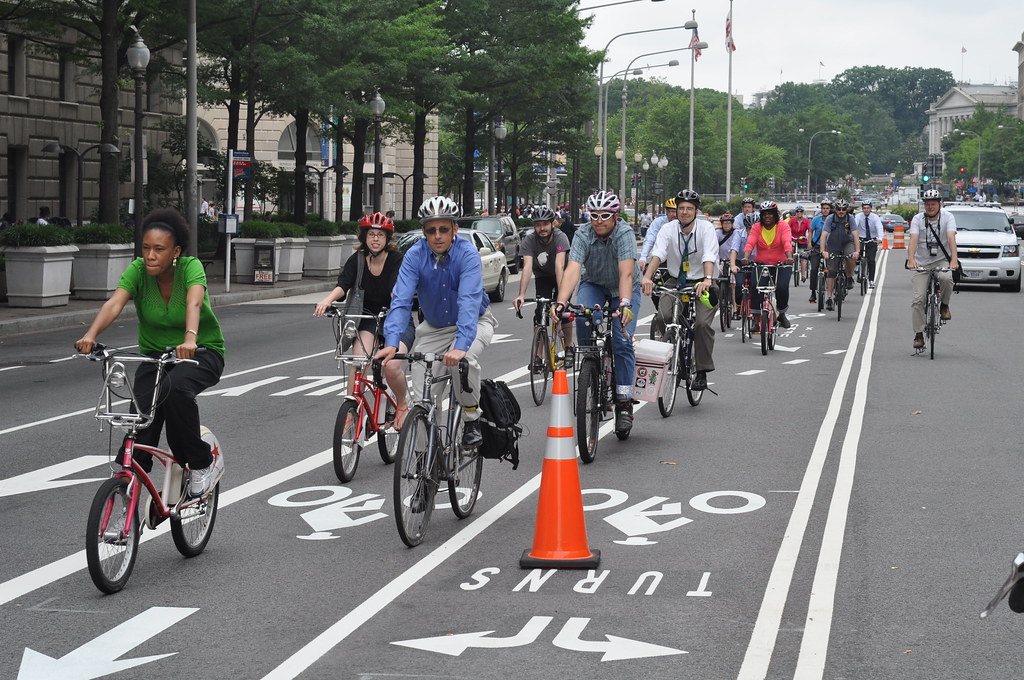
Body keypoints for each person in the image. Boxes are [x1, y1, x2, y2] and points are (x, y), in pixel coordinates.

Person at [74, 208, 225, 497]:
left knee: (175, 390)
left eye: (159, 249)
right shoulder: (138, 271)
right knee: (140, 420)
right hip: (155, 358)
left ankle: (202, 462)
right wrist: (90, 336)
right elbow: (114, 303)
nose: (150, 255)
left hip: (200, 353)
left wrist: (190, 338)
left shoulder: (190, 267)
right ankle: (127, 496)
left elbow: (194, 303)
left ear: (175, 251)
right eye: (146, 248)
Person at [374, 196, 496, 449]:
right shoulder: (414, 256)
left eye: (443, 229)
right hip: (433, 327)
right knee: (422, 401)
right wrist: (392, 342)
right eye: (431, 230)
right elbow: (401, 300)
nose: (437, 236)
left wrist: (461, 346)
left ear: (454, 229)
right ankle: (423, 460)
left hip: (473, 322)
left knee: (463, 361)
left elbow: (468, 301)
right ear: (424, 232)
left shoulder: (468, 254)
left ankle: (472, 418)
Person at [314, 212, 412, 427]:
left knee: (391, 366)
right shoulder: (357, 260)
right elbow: (343, 284)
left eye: (380, 235)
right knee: (359, 362)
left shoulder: (397, 259)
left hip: (395, 318)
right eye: (371, 235)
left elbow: (398, 288)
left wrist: (398, 300)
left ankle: (402, 403)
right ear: (364, 237)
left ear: (387, 238)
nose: (375, 239)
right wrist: (327, 301)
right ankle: (351, 410)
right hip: (367, 318)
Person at [556, 191, 640, 434]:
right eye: (594, 215)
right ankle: (591, 364)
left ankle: (624, 402)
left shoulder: (624, 234)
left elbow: (626, 273)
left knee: (622, 340)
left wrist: (624, 304)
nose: (599, 220)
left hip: (623, 288)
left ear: (615, 217)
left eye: (605, 215)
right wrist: (561, 302)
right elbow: (573, 269)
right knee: (582, 317)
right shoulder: (582, 234)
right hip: (593, 283)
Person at [641, 190, 717, 390]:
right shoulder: (668, 229)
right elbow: (658, 253)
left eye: (689, 208)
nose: (684, 212)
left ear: (696, 211)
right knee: (662, 317)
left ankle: (701, 371)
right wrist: (647, 276)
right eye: (681, 208)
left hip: (702, 281)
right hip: (676, 281)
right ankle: (675, 347)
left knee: (702, 325)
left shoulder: (706, 228)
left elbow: (709, 255)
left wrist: (708, 279)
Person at [513, 205, 572, 350]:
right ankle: (538, 355)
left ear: (553, 223)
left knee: (563, 311)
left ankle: (569, 346)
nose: (542, 228)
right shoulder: (529, 240)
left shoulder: (560, 237)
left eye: (545, 224)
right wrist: (521, 295)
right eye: (538, 225)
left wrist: (562, 298)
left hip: (562, 276)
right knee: (540, 313)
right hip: (542, 276)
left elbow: (559, 266)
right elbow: (527, 268)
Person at [907, 189, 958, 349]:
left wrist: (953, 260)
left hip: (941, 260)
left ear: (939, 205)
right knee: (918, 299)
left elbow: (951, 237)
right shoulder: (918, 219)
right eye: (927, 204)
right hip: (922, 262)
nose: (930, 207)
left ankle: (944, 305)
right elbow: (913, 239)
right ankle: (918, 334)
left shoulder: (948, 217)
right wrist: (911, 259)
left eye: (933, 204)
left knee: (946, 278)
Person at [742, 200, 794, 329]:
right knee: (756, 287)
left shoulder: (783, 226)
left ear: (775, 214)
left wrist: (789, 257)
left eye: (770, 213)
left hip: (781, 264)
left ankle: (782, 314)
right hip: (761, 264)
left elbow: (786, 242)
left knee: (782, 287)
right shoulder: (756, 227)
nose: (767, 216)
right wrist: (746, 257)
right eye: (764, 214)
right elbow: (750, 243)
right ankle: (756, 320)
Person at [819, 198, 859, 311]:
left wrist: (857, 251)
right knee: (831, 271)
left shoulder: (850, 218)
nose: (841, 211)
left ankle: (849, 276)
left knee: (851, 256)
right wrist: (823, 251)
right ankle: (829, 298)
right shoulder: (830, 218)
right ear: (835, 210)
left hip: (847, 243)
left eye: (843, 209)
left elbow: (855, 235)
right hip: (833, 245)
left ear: (847, 209)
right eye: (839, 209)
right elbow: (824, 235)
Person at [638, 197, 677, 270]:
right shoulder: (659, 222)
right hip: (660, 259)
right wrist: (643, 257)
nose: (675, 214)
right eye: (672, 211)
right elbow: (650, 239)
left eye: (676, 211)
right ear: (666, 212)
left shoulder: (684, 223)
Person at [715, 213, 743, 313]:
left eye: (729, 223)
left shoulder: (736, 233)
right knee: (714, 279)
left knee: (733, 284)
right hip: (720, 260)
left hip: (732, 261)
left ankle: (734, 306)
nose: (727, 225)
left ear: (732, 224)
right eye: (724, 223)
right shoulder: (717, 233)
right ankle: (717, 299)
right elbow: (713, 245)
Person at [855, 201, 884, 288]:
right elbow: (855, 226)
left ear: (871, 208)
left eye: (868, 208)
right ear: (862, 209)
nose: (866, 210)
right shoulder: (858, 216)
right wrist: (853, 237)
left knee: (871, 260)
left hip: (872, 240)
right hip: (861, 238)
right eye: (864, 208)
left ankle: (871, 280)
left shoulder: (875, 217)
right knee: (857, 253)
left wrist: (880, 238)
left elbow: (879, 227)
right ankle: (858, 266)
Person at [808, 201, 831, 304]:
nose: (825, 210)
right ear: (821, 209)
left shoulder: (833, 220)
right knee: (814, 269)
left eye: (827, 208)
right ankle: (813, 292)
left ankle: (831, 292)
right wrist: (809, 243)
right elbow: (811, 232)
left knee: (831, 269)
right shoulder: (816, 219)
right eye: (823, 208)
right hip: (817, 247)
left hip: (829, 247)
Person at [788, 206, 811, 282]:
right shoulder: (792, 221)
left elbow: (810, 230)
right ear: (795, 213)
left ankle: (803, 274)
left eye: (801, 211)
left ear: (803, 212)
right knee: (791, 249)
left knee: (803, 258)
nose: (799, 213)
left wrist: (808, 237)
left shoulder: (806, 221)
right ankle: (791, 264)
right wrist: (788, 236)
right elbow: (787, 229)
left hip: (803, 240)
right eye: (797, 211)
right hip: (793, 239)